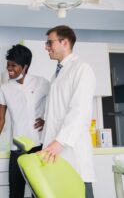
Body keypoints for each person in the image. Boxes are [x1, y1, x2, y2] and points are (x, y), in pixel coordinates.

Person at [40, 25, 96, 198]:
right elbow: (58, 110)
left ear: (64, 42)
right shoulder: (58, 73)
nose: (46, 47)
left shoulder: (81, 69)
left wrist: (60, 142)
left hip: (71, 150)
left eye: (50, 43)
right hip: (56, 151)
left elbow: (79, 111)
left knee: (78, 190)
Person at [0, 44, 50, 198]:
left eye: (14, 66)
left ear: (25, 66)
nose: (9, 69)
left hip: (39, 147)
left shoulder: (42, 83)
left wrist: (46, 121)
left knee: (39, 192)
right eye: (8, 65)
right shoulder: (5, 89)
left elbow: (57, 106)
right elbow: (0, 120)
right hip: (17, 148)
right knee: (15, 192)